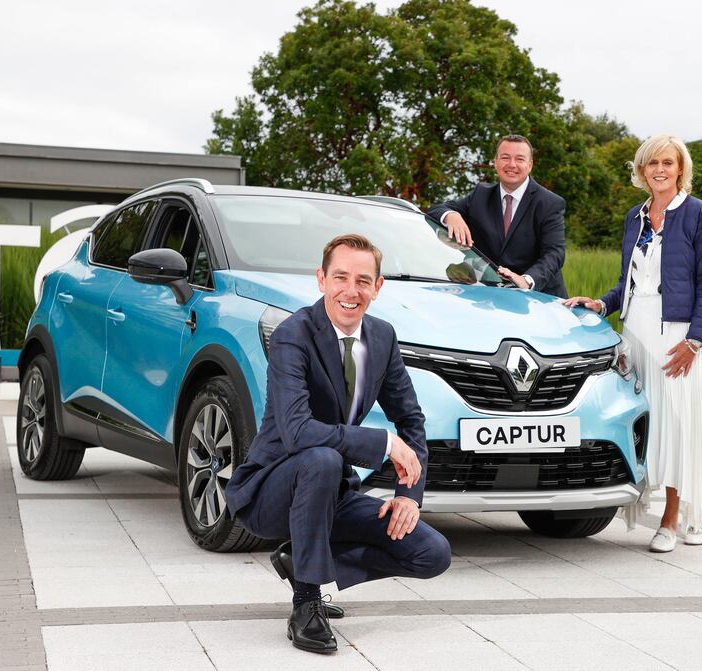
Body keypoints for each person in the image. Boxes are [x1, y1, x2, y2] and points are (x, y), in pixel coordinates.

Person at [224, 234, 451, 654]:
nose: (352, 290)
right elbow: (296, 431)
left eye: (364, 280)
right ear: (321, 279)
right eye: (341, 277)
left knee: (432, 552)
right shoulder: (293, 335)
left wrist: (408, 496)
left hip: (333, 491)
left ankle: (303, 562)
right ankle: (306, 604)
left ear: (378, 287)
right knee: (323, 458)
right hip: (271, 490)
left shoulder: (382, 338)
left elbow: (412, 421)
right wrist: (384, 443)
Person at [564, 134, 702, 553]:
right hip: (637, 335)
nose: (659, 170)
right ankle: (685, 509)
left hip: (678, 339)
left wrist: (695, 341)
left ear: (680, 168)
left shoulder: (699, 215)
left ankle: (673, 517)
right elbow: (628, 284)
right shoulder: (635, 217)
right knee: (651, 428)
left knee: (677, 428)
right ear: (641, 170)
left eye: (667, 163)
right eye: (652, 163)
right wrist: (601, 303)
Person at [427, 134, 568, 298]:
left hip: (539, 298)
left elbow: (555, 253)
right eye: (505, 157)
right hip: (490, 297)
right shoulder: (481, 195)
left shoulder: (550, 203)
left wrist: (526, 280)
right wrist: (452, 215)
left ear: (529, 165)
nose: (512, 165)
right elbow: (436, 209)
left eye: (519, 159)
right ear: (495, 162)